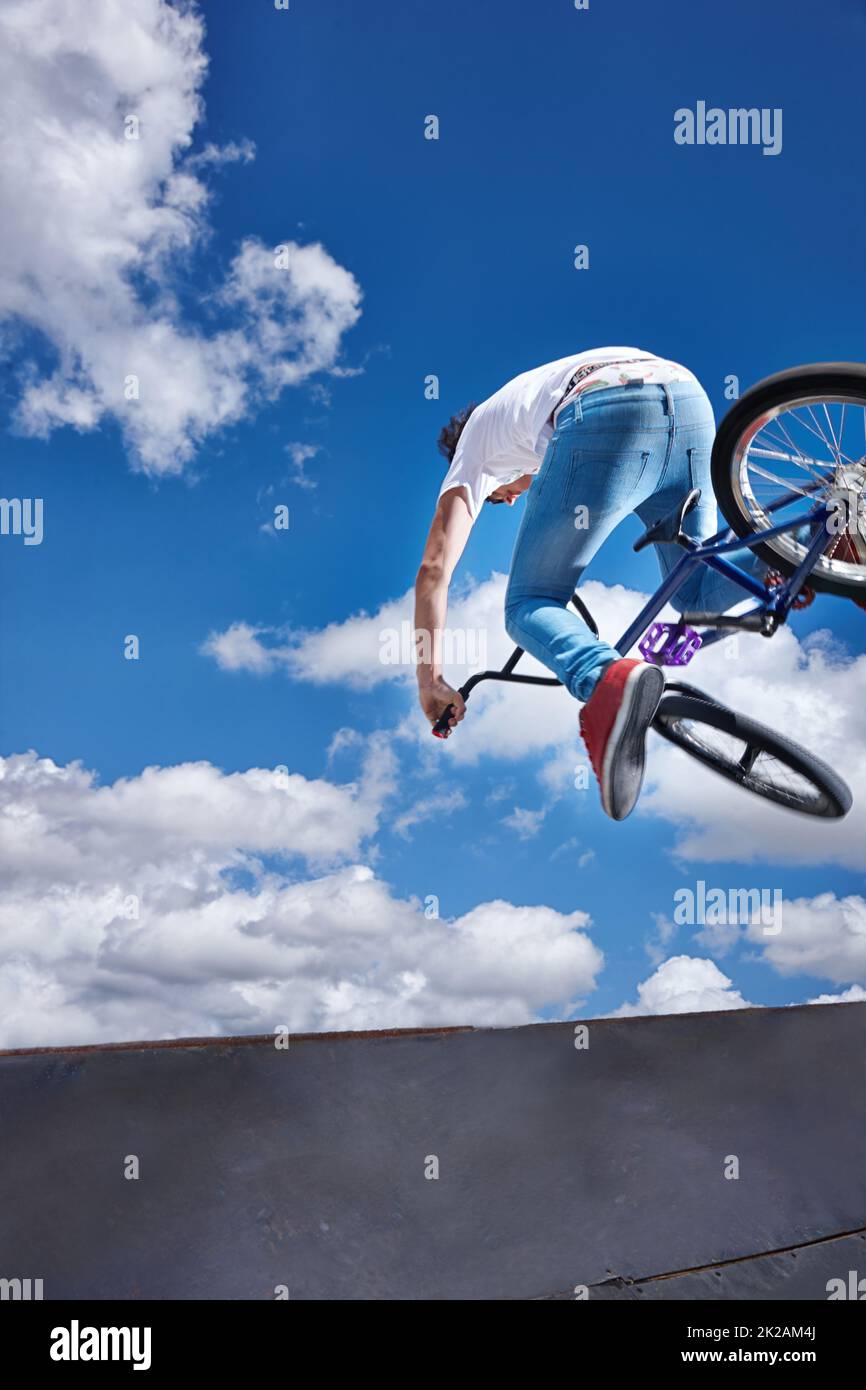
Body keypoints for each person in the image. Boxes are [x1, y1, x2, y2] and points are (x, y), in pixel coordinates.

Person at [414, 348, 769, 821]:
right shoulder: (520, 406)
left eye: (498, 498)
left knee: (529, 603)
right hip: (689, 402)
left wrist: (429, 680)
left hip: (605, 408)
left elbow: (434, 570)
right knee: (696, 588)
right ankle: (816, 541)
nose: (509, 499)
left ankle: (606, 679)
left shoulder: (473, 449)